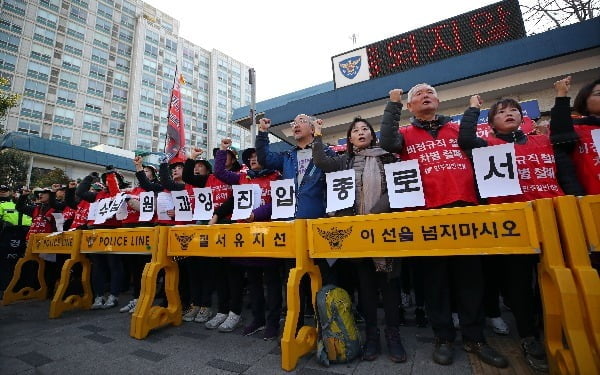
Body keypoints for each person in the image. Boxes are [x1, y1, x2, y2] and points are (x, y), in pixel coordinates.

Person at [380, 84, 507, 368]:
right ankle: (443, 338)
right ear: (410, 107)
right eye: (419, 95)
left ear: (438, 101)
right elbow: (387, 141)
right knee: (435, 280)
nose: (426, 95)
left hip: (465, 211)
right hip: (427, 214)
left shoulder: (458, 130)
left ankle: (475, 337)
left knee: (471, 278)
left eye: (431, 93)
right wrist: (393, 104)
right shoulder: (404, 135)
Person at [458, 94, 562, 372]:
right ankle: (528, 336)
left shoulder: (543, 141)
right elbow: (465, 140)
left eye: (514, 110)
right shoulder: (486, 145)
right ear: (491, 122)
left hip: (554, 222)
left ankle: (554, 327)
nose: (509, 113)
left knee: (554, 280)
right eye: (502, 111)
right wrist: (472, 109)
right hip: (512, 227)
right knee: (518, 285)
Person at [312, 117, 406, 363]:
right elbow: (321, 161)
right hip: (357, 235)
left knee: (389, 287)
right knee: (366, 288)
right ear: (350, 139)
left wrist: (375, 215)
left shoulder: (389, 157)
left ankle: (393, 335)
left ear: (373, 135)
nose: (361, 132)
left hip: (384, 231)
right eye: (355, 130)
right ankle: (372, 337)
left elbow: (395, 189)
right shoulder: (345, 160)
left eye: (365, 129)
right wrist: (319, 134)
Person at [255, 115, 338, 331]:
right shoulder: (287, 157)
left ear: (313, 127)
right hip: (291, 225)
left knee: (322, 276)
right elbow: (263, 157)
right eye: (292, 123)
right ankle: (296, 324)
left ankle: (327, 328)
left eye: (300, 121)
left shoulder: (326, 152)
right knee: (293, 278)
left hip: (317, 225)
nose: (295, 125)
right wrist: (263, 133)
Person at [212, 139, 282, 340]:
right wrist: (223, 150)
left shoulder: (276, 178)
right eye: (250, 157)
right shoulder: (243, 178)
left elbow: (277, 203)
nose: (252, 159)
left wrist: (256, 214)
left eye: (256, 156)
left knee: (271, 280)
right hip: (245, 236)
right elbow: (219, 173)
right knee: (252, 281)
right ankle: (258, 319)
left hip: (268, 235)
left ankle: (273, 321)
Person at [550, 76, 600, 272]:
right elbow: (560, 137)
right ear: (584, 101)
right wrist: (561, 96)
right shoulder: (577, 129)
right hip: (590, 207)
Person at [0, 185, 31, 298]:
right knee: (5, 263)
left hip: (25, 235)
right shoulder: (2, 205)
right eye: (1, 191)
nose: (3, 193)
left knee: (21, 263)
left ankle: (17, 287)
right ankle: (4, 288)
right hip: (7, 235)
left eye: (5, 191)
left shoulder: (28, 206)